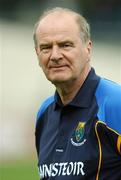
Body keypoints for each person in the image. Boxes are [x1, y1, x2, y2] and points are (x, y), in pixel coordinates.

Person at [33, 7, 121, 180]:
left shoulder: (114, 104)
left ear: (88, 49)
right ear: (37, 54)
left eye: (65, 45)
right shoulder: (44, 112)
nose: (55, 55)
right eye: (46, 47)